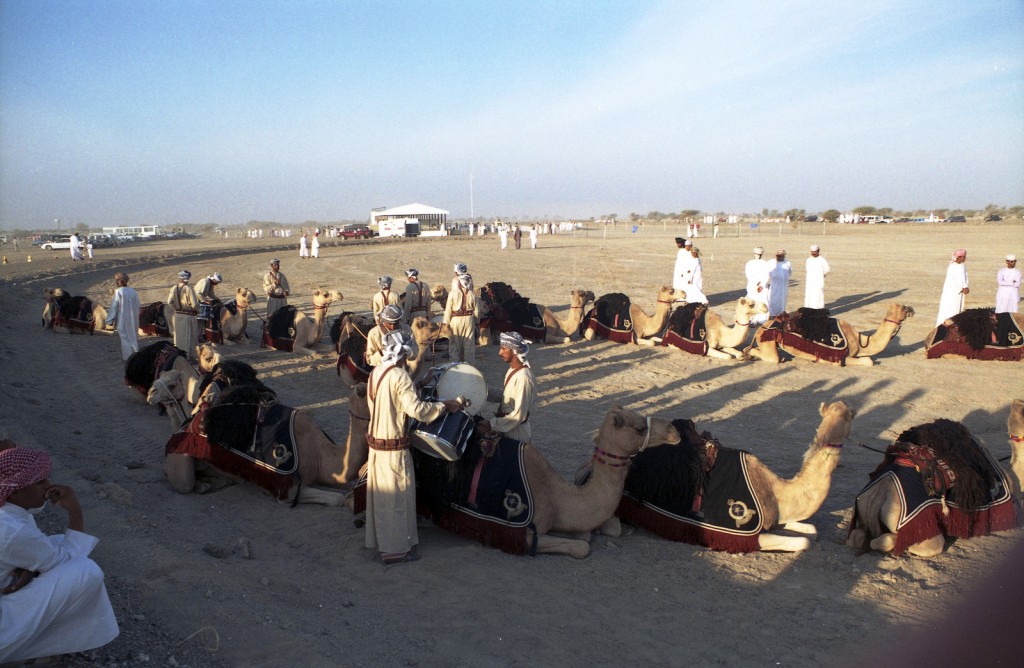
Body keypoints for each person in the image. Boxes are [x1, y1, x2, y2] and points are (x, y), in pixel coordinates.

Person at [0, 447, 119, 663]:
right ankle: (41, 644)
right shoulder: (12, 530)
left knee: (54, 543)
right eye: (39, 481)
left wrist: (30, 568)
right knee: (86, 571)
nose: (48, 486)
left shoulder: (7, 511)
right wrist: (75, 510)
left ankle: (59, 637)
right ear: (14, 491)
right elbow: (73, 559)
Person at [364, 331, 461, 564]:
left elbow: (394, 398)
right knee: (396, 499)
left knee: (382, 497)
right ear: (403, 353)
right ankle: (395, 551)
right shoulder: (399, 376)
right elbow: (417, 410)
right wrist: (444, 406)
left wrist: (420, 383)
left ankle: (384, 544)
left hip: (376, 446)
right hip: (393, 448)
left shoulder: (377, 372)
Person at [486, 332, 537, 442]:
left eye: (504, 349)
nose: (500, 353)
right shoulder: (512, 370)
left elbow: (519, 415)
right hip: (506, 427)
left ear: (514, 351)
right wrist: (483, 391)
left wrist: (491, 424)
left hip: (516, 433)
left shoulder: (523, 377)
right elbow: (507, 396)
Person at [443, 273, 480, 364]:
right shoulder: (473, 294)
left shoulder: (452, 293)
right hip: (469, 320)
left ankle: (455, 366)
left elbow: (448, 310)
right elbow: (477, 311)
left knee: (454, 344)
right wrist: (476, 322)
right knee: (469, 345)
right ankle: (470, 367)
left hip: (455, 320)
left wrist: (445, 324)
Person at [105, 272, 141, 360]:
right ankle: (135, 355)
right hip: (134, 319)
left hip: (123, 319)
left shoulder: (118, 292)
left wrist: (109, 320)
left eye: (118, 281)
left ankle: (128, 358)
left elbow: (114, 306)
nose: (117, 282)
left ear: (123, 282)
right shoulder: (133, 291)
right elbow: (138, 305)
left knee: (124, 338)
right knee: (133, 337)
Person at [167, 270, 199, 357]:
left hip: (177, 315)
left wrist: (176, 309)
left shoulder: (174, 288)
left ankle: (179, 356)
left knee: (179, 338)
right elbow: (195, 304)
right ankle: (189, 357)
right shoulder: (189, 288)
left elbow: (169, 302)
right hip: (189, 316)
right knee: (190, 337)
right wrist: (196, 310)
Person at [936, 249, 969, 325]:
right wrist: (960, 289)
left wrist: (966, 287)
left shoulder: (963, 266)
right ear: (958, 257)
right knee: (950, 310)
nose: (964, 258)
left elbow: (965, 278)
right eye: (963, 257)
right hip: (952, 294)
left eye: (965, 257)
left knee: (958, 310)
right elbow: (951, 282)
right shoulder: (952, 267)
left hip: (960, 294)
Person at [744, 247, 771, 324]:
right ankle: (752, 319)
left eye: (759, 254)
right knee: (752, 301)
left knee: (763, 301)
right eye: (756, 254)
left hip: (762, 287)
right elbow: (748, 275)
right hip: (752, 286)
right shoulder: (749, 263)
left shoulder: (765, 263)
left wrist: (761, 284)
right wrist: (756, 283)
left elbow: (767, 275)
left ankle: (763, 320)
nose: (758, 255)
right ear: (754, 254)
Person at [194, 272, 223, 339]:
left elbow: (211, 294)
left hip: (201, 301)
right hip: (196, 301)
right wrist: (205, 301)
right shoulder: (205, 281)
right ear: (214, 280)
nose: (217, 284)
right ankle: (197, 336)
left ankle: (201, 335)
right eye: (217, 282)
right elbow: (198, 293)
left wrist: (217, 299)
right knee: (199, 320)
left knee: (202, 320)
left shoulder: (210, 284)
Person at [767, 249, 792, 317]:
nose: (779, 257)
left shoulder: (787, 263)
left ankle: (781, 315)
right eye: (777, 255)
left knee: (782, 301)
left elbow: (789, 273)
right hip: (774, 286)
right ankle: (772, 315)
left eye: (781, 256)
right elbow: (766, 273)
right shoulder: (771, 262)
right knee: (773, 300)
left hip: (783, 287)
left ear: (784, 256)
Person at [804, 245, 830, 309]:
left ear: (818, 251)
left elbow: (827, 269)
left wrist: (822, 275)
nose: (813, 253)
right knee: (809, 295)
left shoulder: (822, 260)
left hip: (818, 281)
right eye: (812, 252)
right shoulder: (809, 260)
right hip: (810, 281)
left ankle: (818, 309)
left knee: (818, 295)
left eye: (815, 252)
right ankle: (809, 308)